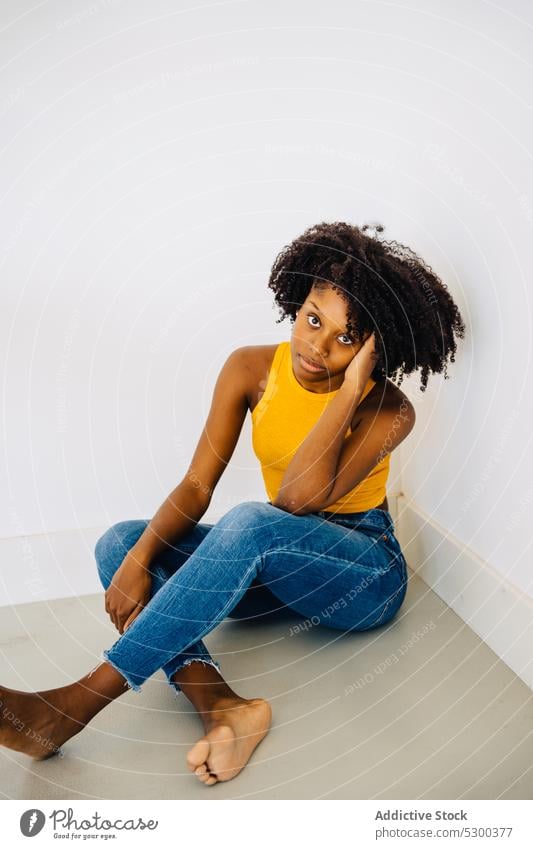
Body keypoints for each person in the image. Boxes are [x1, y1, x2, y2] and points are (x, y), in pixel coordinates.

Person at [0, 221, 465, 786]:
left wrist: (349, 391)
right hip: (276, 563)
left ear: (374, 348)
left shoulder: (390, 410)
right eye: (313, 319)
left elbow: (297, 498)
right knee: (122, 543)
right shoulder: (250, 368)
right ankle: (224, 708)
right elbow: (198, 488)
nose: (316, 346)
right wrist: (144, 555)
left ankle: (72, 706)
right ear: (297, 301)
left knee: (255, 521)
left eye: (345, 339)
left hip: (362, 575)